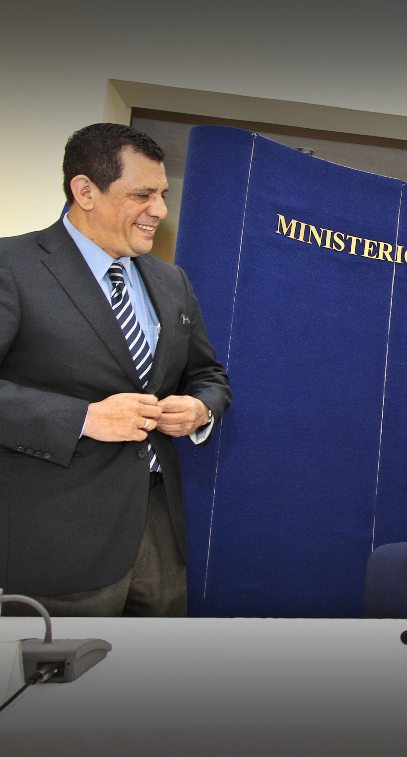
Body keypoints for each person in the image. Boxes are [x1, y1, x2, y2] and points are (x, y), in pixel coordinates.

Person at [0, 123, 232, 616]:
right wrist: (85, 418)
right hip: (54, 540)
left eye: (163, 195)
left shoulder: (172, 281)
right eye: (142, 195)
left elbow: (209, 376)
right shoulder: (12, 267)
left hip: (159, 533)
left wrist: (200, 409)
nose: (160, 211)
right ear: (85, 191)